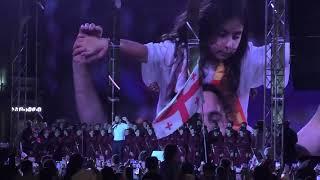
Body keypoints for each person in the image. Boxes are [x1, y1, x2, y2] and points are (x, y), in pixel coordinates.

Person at [72, 0, 290, 130]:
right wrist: (106, 43)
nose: (229, 44)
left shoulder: (246, 57)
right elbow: (144, 51)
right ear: (204, 28)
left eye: (236, 36)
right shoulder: (176, 52)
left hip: (232, 149)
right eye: (222, 34)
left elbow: (289, 52)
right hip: (176, 146)